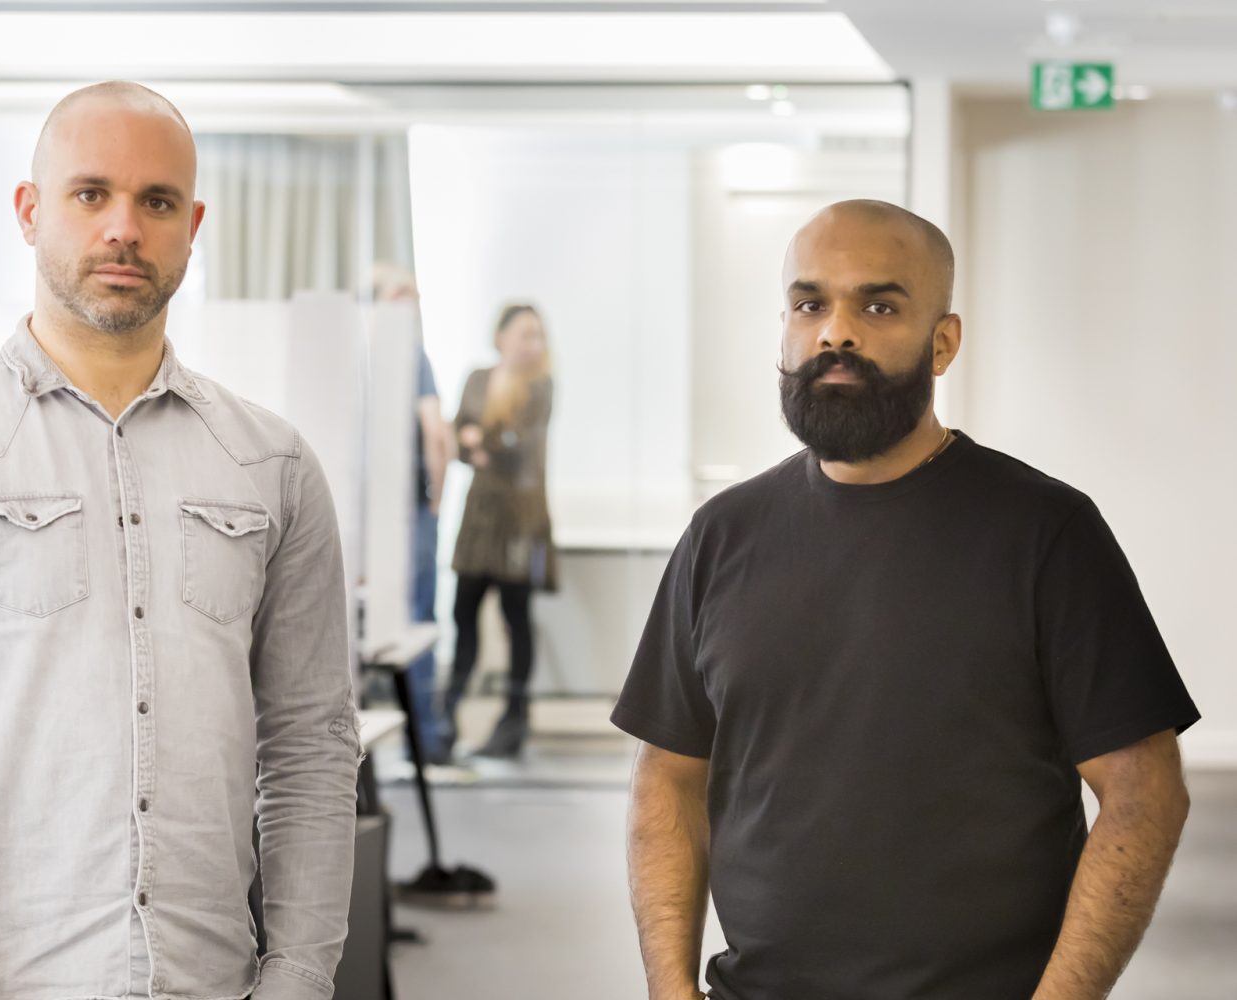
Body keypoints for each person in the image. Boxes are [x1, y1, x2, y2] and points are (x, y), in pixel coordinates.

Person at [0, 81, 360, 1000]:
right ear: (30, 213)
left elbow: (310, 745)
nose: (123, 229)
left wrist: (300, 977)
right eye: (90, 193)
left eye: (155, 203)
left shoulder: (272, 464)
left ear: (192, 225)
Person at [615, 199, 1200, 1000]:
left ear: (943, 342)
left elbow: (1144, 791)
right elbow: (668, 777)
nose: (835, 333)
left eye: (879, 305)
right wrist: (670, 989)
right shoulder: (722, 534)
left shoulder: (1046, 533)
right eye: (810, 303)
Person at [442, 304, 557, 759]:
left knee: (516, 622)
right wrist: (479, 443)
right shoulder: (477, 378)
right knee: (462, 616)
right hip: (480, 517)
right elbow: (458, 439)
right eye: (525, 334)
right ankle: (444, 723)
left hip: (520, 521)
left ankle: (513, 724)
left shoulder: (541, 386)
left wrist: (480, 439)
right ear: (501, 337)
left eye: (538, 336)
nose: (533, 344)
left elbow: (519, 448)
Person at [373, 264, 453, 765]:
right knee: (418, 623)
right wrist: (437, 503)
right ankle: (424, 740)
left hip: (375, 517)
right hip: (410, 513)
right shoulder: (411, 355)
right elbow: (436, 434)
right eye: (401, 295)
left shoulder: (361, 354)